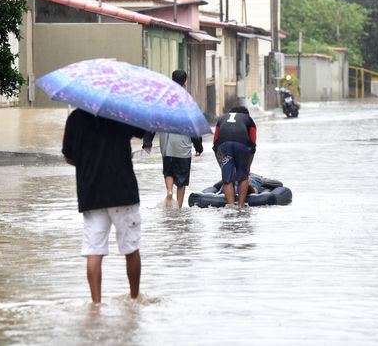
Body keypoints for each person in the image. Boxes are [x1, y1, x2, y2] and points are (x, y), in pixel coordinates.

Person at [62, 108, 146, 303]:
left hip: (90, 193)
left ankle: (96, 305)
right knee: (131, 247)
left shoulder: (75, 118)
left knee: (94, 250)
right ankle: (134, 299)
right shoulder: (120, 112)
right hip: (123, 191)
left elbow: (68, 155)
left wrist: (86, 162)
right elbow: (142, 132)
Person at [142, 70, 203, 208]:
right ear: (185, 82)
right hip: (182, 142)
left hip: (166, 141)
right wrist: (198, 146)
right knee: (182, 178)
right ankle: (179, 207)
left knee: (168, 170)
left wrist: (147, 141)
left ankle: (169, 191)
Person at [212, 105, 257, 209]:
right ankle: (241, 207)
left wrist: (222, 165)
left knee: (227, 178)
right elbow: (253, 145)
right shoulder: (249, 120)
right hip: (242, 144)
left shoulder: (221, 118)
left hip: (223, 144)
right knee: (242, 175)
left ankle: (231, 207)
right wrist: (248, 167)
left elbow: (215, 144)